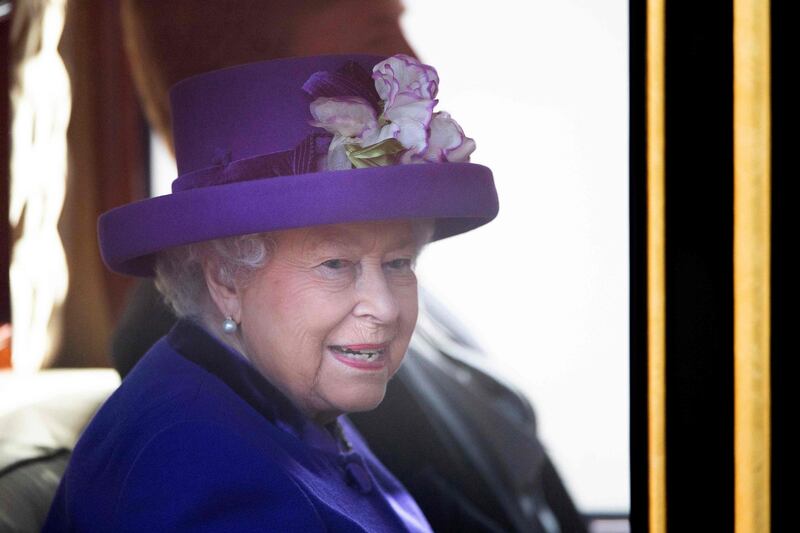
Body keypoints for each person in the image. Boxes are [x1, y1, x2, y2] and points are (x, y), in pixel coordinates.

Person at [43, 53, 498, 531]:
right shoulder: (198, 475)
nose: (384, 307)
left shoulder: (276, 396)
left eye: (399, 262)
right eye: (335, 264)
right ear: (226, 281)